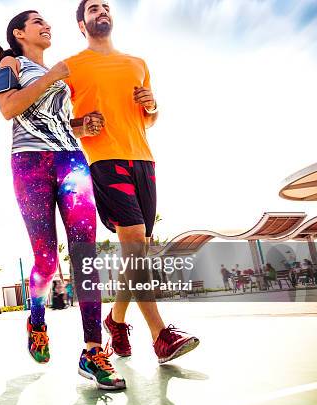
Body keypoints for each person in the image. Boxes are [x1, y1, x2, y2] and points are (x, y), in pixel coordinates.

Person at [0, 10, 125, 390]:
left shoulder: (60, 75)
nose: (47, 26)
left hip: (71, 159)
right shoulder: (10, 64)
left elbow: (55, 118)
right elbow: (9, 109)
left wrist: (83, 124)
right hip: (29, 164)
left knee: (85, 253)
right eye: (37, 22)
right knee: (46, 258)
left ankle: (93, 351)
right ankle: (37, 318)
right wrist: (51, 76)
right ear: (19, 33)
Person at [62, 0, 199, 365]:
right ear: (82, 23)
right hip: (104, 160)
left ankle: (116, 320)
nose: (101, 11)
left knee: (136, 250)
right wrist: (79, 125)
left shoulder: (137, 64)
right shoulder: (70, 67)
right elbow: (56, 123)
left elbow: (147, 119)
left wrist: (153, 106)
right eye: (93, 8)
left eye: (106, 6)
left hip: (144, 158)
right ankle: (161, 336)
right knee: (135, 240)